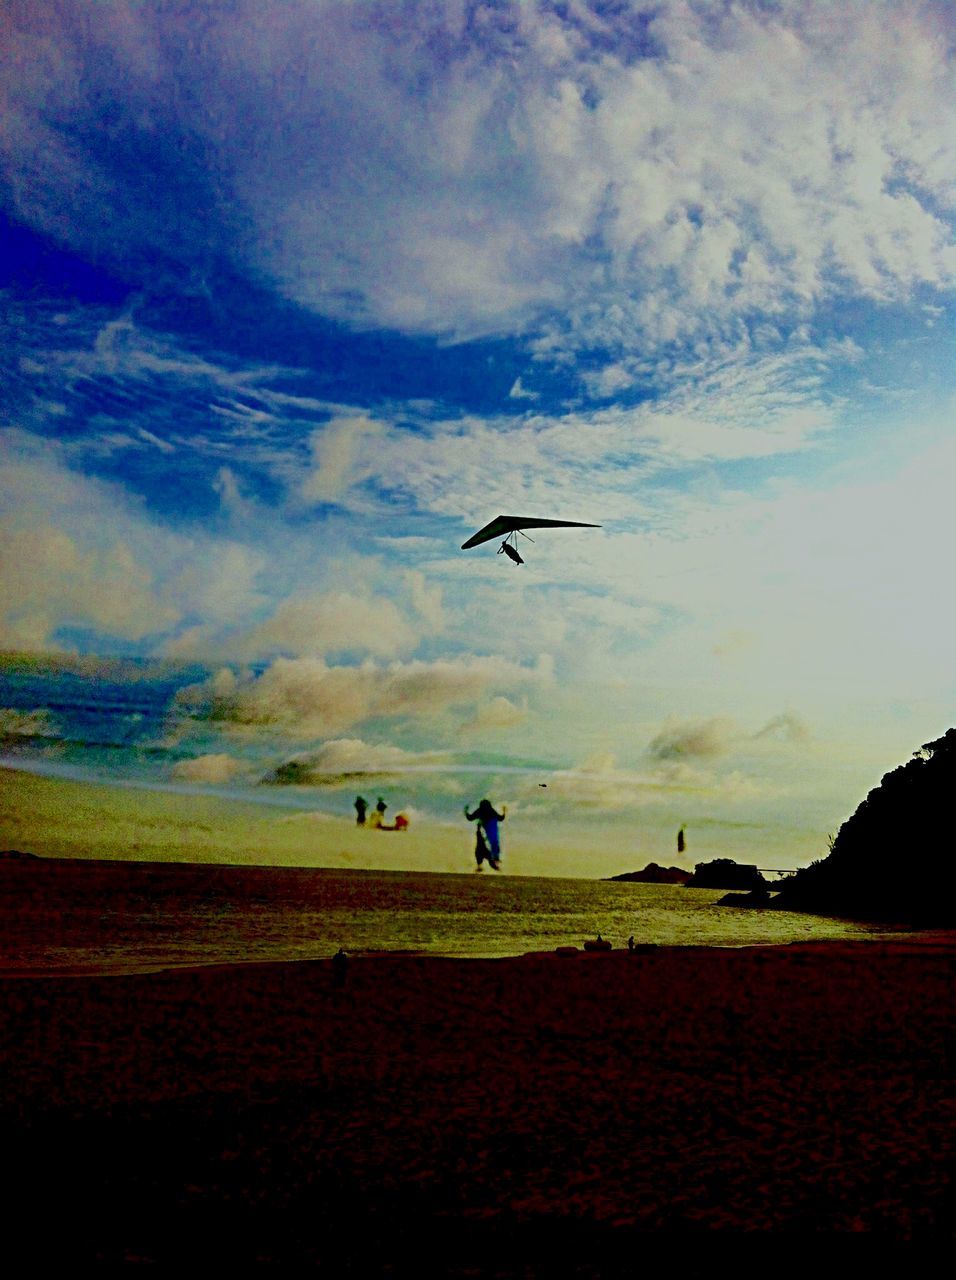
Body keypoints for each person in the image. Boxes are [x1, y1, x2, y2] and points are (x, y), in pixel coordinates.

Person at [465, 799, 506, 871]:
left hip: (482, 833)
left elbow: (470, 818)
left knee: (480, 849)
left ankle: (482, 865)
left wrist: (466, 811)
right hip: (488, 834)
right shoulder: (491, 811)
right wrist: (504, 812)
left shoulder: (481, 810)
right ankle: (494, 862)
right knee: (488, 848)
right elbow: (501, 818)